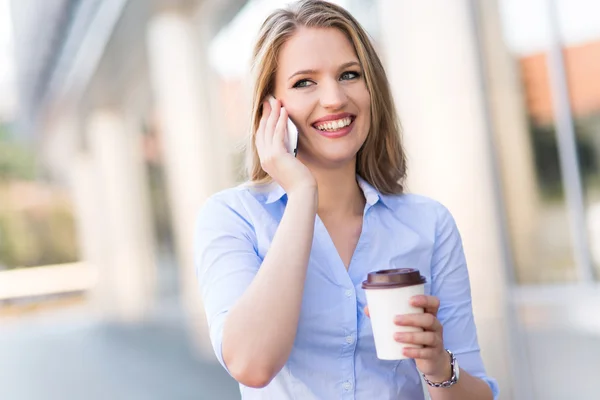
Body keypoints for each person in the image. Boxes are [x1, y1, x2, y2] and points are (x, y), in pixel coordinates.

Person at [194, 1, 499, 399]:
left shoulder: (429, 224)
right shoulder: (234, 218)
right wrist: (302, 193)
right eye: (305, 82)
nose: (335, 98)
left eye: (349, 75)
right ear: (271, 108)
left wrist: (437, 364)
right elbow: (252, 364)